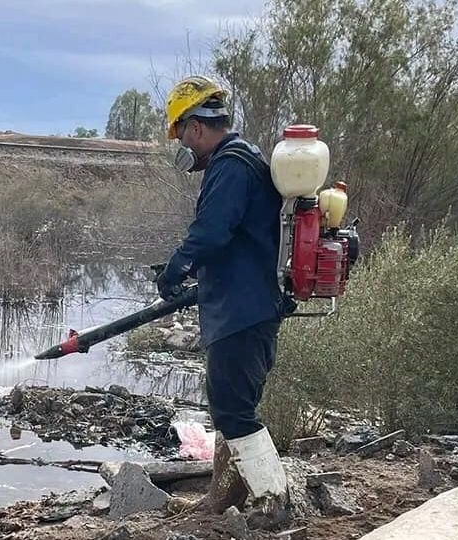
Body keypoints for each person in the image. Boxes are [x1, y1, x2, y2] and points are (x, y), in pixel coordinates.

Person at [157, 75, 288, 524]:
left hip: (242, 310)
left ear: (195, 128)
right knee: (227, 403)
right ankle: (222, 496)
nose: (182, 146)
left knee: (234, 410)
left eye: (180, 134)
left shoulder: (230, 165)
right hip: (243, 304)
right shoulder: (245, 158)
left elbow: (212, 232)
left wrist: (177, 267)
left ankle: (273, 502)